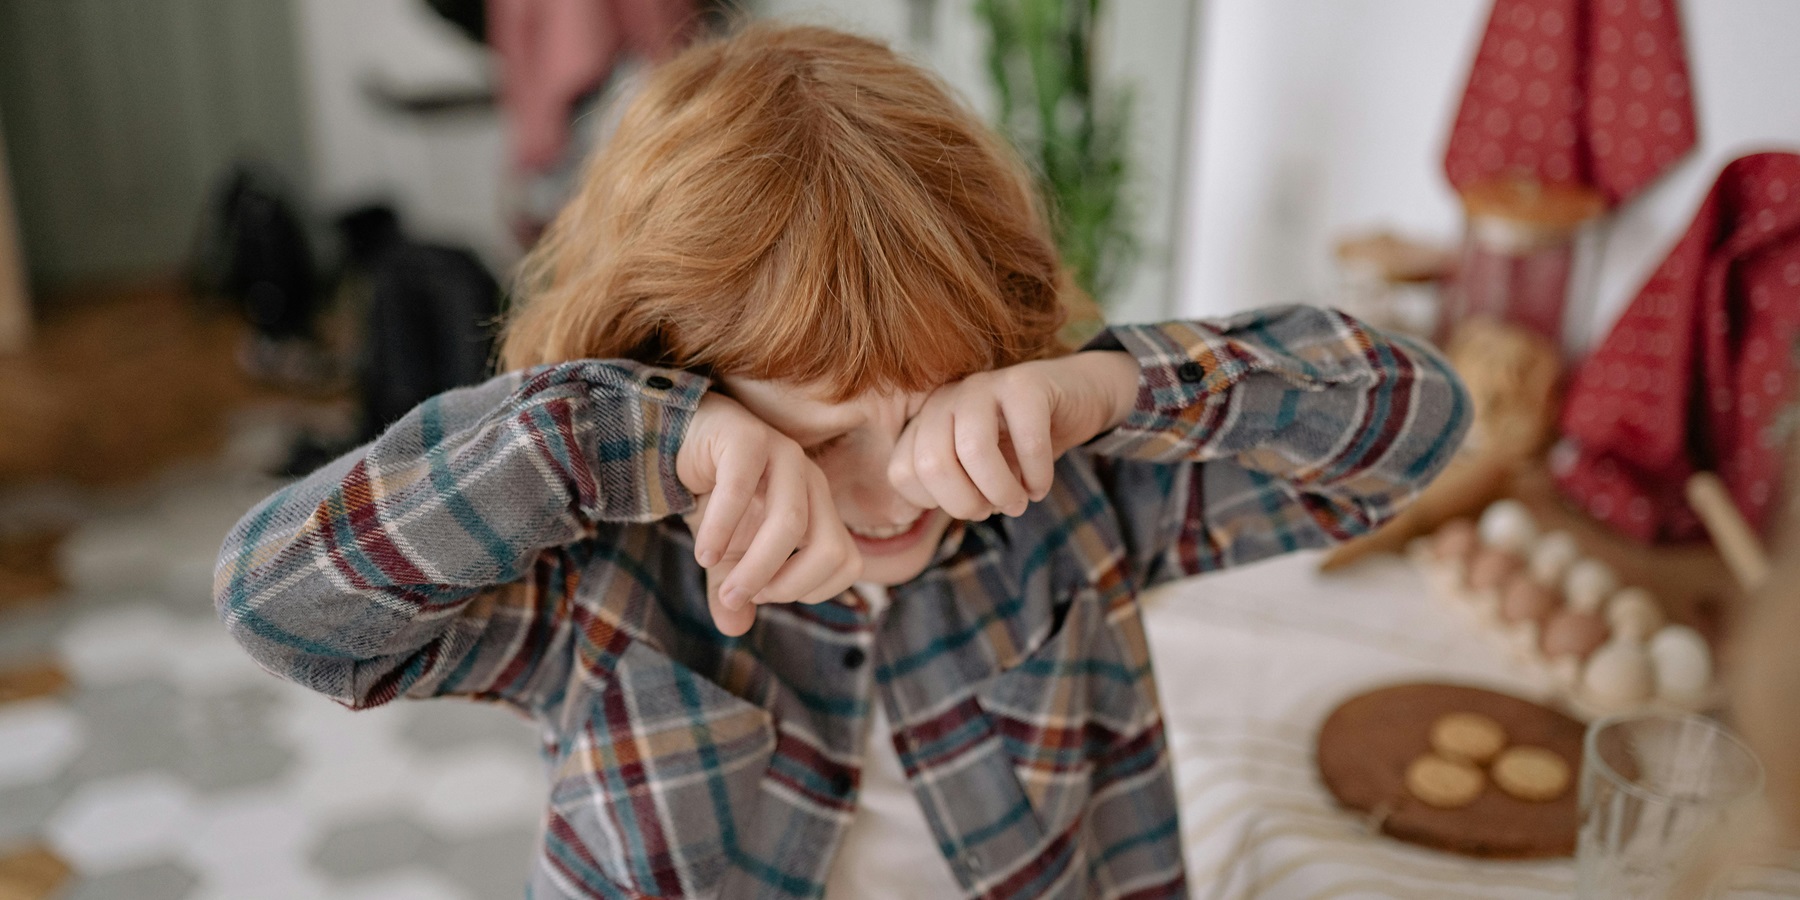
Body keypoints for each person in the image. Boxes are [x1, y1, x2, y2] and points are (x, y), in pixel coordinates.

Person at [214, 23, 1469, 900]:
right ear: (670, 379)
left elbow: (1413, 430)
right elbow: (283, 610)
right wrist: (608, 439)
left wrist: (1113, 382)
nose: (891, 489)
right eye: (815, 440)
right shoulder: (599, 578)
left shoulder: (1073, 498)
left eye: (930, 409)